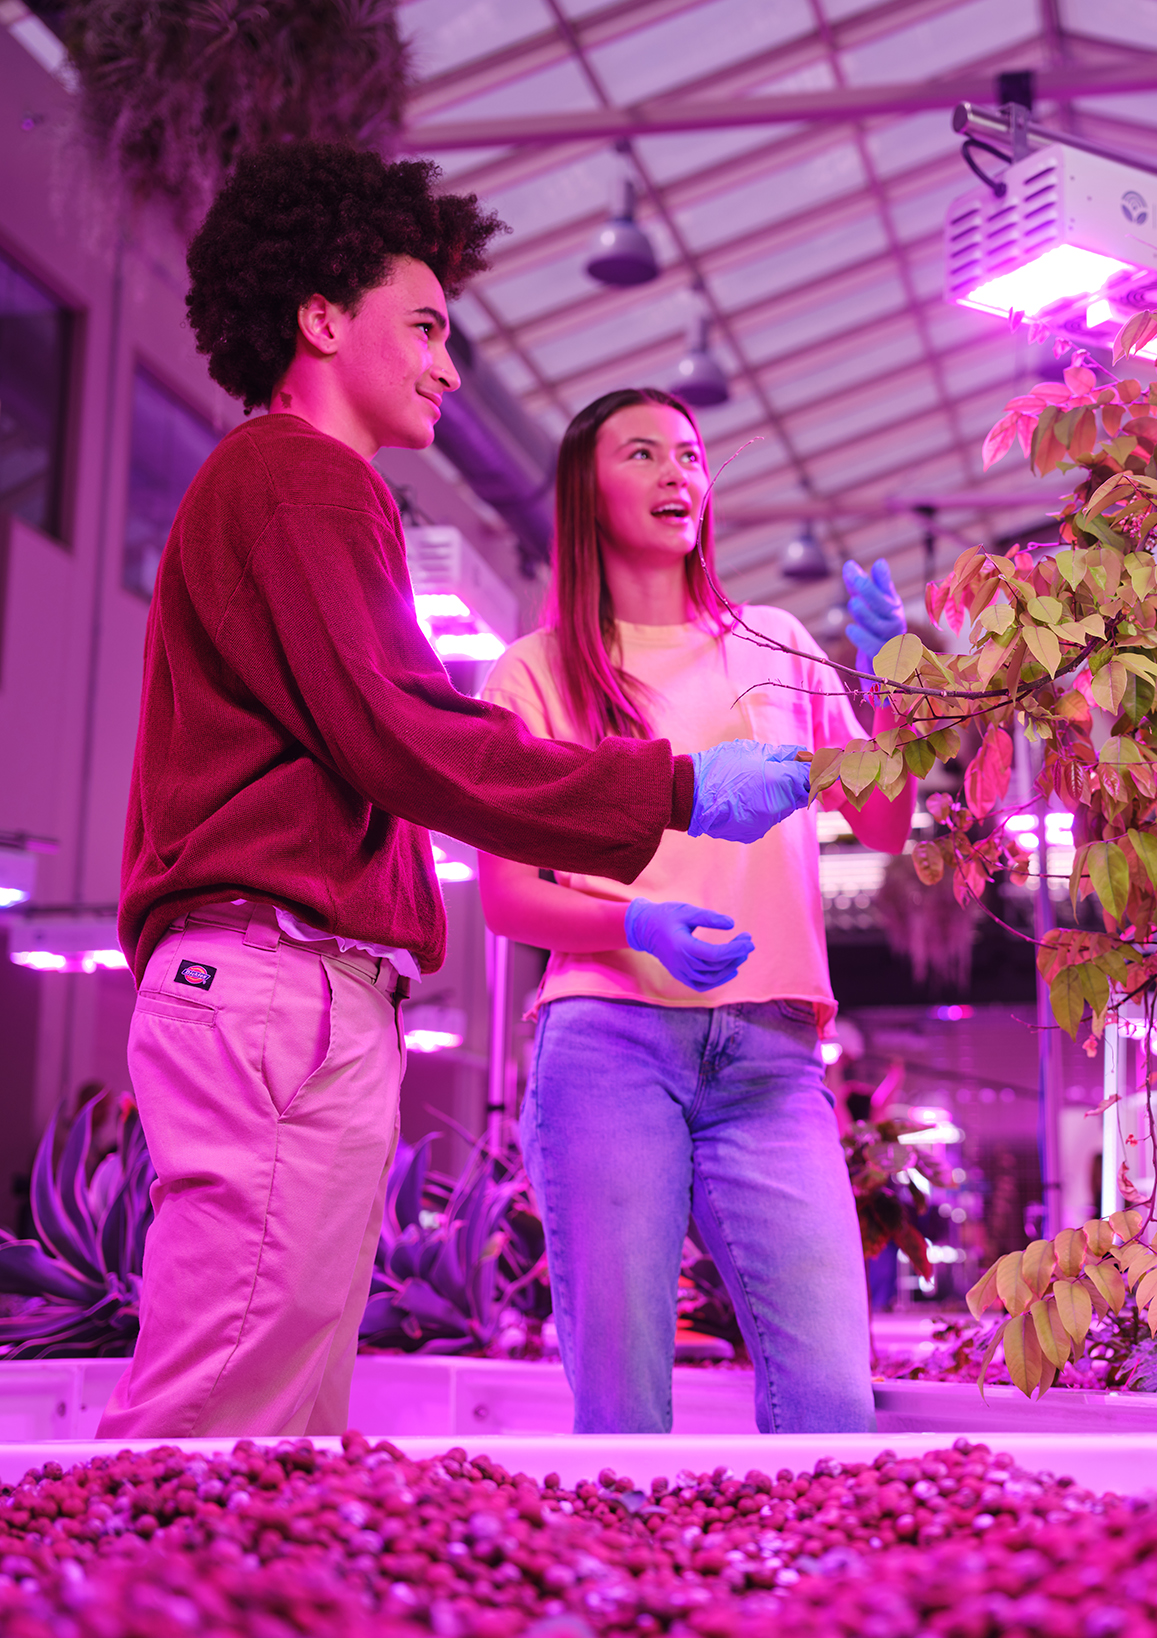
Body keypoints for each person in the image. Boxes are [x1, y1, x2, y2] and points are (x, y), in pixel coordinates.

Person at [97, 147, 814, 1441]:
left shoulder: (296, 488)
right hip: (275, 982)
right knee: (210, 1424)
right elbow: (410, 736)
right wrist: (678, 789)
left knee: (272, 1424)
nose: (446, 364)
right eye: (424, 326)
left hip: (293, 986)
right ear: (322, 319)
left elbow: (395, 738)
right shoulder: (297, 477)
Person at [477, 387, 914, 1433]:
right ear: (586, 489)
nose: (680, 473)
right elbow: (506, 897)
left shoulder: (772, 642)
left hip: (771, 1058)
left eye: (691, 454)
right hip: (608, 1045)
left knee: (832, 1403)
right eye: (643, 453)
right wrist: (636, 925)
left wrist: (891, 679)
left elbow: (889, 822)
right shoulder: (533, 677)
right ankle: (618, 1592)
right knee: (624, 1404)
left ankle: (811, 1598)